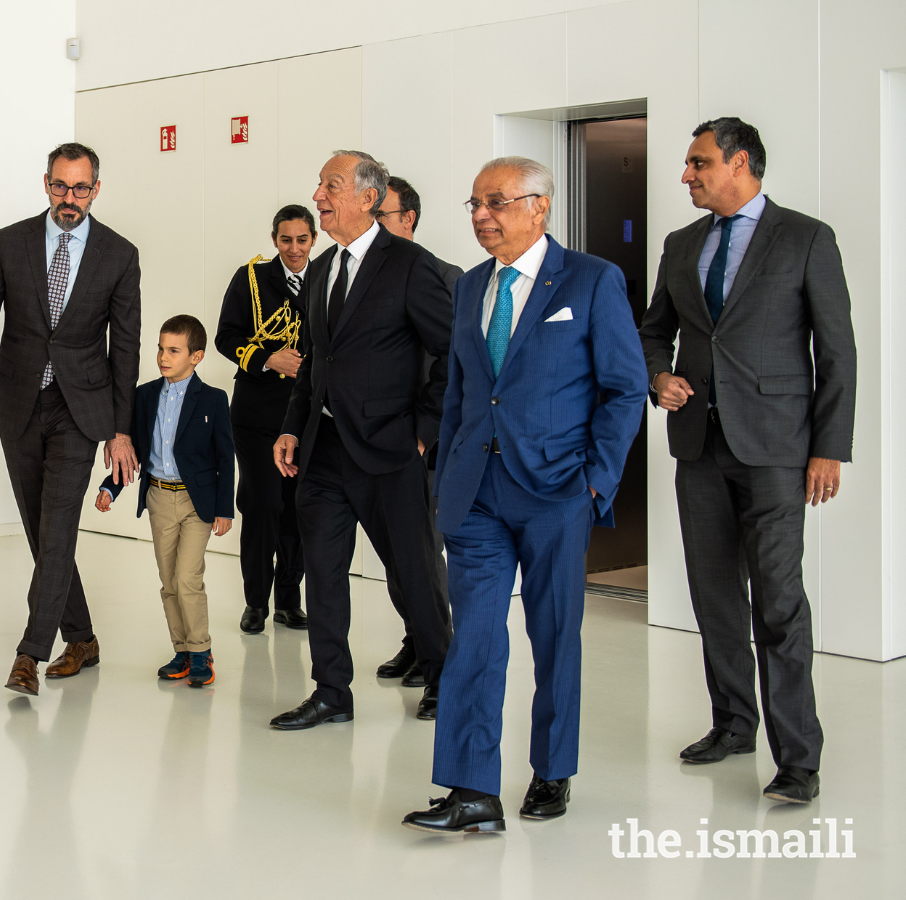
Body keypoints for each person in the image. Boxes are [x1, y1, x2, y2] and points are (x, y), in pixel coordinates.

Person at [403, 157, 647, 835]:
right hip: (475, 493)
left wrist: (596, 480)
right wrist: (447, 468)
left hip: (555, 490)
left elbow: (625, 388)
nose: (482, 215)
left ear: (539, 207)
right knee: (475, 637)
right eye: (475, 203)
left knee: (554, 635)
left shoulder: (593, 281)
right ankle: (473, 789)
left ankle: (552, 766)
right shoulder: (470, 285)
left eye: (497, 202)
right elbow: (459, 390)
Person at [638, 118, 856, 805]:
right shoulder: (681, 244)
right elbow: (652, 330)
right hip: (699, 446)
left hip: (777, 449)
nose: (686, 175)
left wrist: (829, 447)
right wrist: (657, 377)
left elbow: (837, 352)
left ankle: (798, 759)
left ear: (740, 164)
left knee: (780, 601)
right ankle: (733, 724)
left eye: (698, 162)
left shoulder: (806, 238)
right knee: (714, 596)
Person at [270, 150, 453, 729]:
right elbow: (317, 362)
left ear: (368, 198)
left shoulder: (410, 265)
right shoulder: (322, 270)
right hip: (323, 452)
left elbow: (454, 354)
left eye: (332, 185)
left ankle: (444, 675)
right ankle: (331, 692)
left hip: (390, 451)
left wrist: (424, 432)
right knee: (322, 574)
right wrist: (292, 427)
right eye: (320, 184)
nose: (319, 195)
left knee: (415, 573)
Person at [0, 142, 142, 695]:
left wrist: (121, 428)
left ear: (96, 190)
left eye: (80, 188)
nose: (69, 198)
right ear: (45, 183)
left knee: (58, 527)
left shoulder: (119, 253)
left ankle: (28, 655)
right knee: (45, 536)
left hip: (80, 409)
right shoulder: (8, 243)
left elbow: (126, 349)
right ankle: (82, 637)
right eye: (60, 186)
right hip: (19, 404)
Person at [95, 315, 234, 687]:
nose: (162, 356)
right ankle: (183, 651)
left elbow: (225, 458)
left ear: (197, 356)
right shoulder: (145, 395)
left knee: (188, 578)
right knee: (169, 582)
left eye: (173, 350)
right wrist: (111, 486)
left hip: (197, 503)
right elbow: (135, 449)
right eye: (160, 348)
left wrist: (225, 508)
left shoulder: (214, 400)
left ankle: (202, 651)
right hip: (159, 498)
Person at [373, 175, 464, 691]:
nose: (371, 226)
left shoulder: (443, 275)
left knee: (424, 555)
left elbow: (454, 363)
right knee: (396, 551)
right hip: (383, 440)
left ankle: (440, 660)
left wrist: (424, 434)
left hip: (425, 441)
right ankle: (416, 641)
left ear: (407, 220)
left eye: (380, 215)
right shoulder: (365, 274)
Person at [214, 205, 313, 635]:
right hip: (256, 414)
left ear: (314, 240)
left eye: (302, 240)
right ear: (275, 239)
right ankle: (256, 601)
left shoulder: (328, 276)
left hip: (308, 415)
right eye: (286, 240)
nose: (294, 249)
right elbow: (225, 337)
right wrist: (269, 358)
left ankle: (289, 601)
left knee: (298, 508)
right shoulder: (249, 278)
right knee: (262, 504)